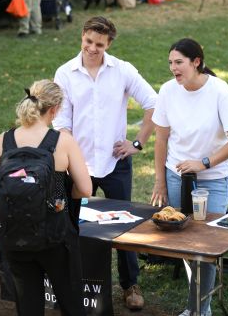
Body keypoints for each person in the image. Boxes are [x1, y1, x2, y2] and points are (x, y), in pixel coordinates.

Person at [53, 16, 157, 311]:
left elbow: (154, 103)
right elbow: (62, 124)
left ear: (109, 44)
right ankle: (70, 282)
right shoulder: (65, 73)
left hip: (115, 163)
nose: (92, 49)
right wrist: (71, 159)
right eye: (88, 42)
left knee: (124, 228)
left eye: (99, 44)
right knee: (70, 224)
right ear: (82, 37)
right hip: (78, 164)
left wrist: (137, 143)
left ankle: (130, 284)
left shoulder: (122, 70)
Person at [150, 38, 228, 316]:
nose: (173, 68)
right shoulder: (168, 91)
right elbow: (161, 139)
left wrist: (204, 163)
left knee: (206, 247)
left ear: (196, 62)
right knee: (183, 242)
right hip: (177, 176)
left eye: (178, 62)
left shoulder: (220, 91)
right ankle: (198, 306)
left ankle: (198, 310)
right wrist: (160, 180)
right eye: (170, 63)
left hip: (213, 179)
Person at [0, 80, 91, 315]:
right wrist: (64, 196)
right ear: (54, 109)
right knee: (70, 300)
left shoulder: (4, 139)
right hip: (56, 234)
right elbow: (85, 189)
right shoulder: (63, 141)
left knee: (28, 305)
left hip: (14, 236)